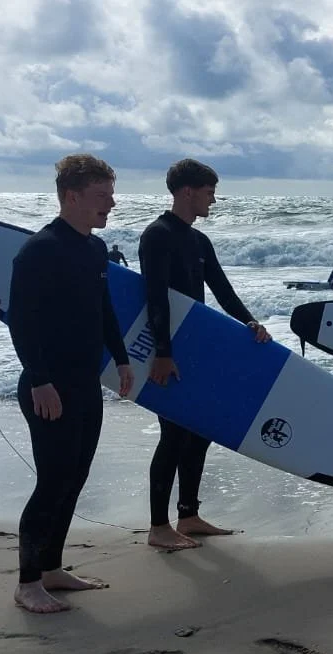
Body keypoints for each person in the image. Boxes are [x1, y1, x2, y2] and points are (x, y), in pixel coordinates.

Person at [7, 153, 134, 613]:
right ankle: (27, 583)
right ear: (72, 196)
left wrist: (120, 360)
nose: (111, 204)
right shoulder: (40, 250)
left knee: (74, 478)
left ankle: (52, 568)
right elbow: (20, 320)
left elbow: (102, 311)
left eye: (111, 195)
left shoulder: (94, 249)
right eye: (102, 196)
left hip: (84, 383)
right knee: (53, 481)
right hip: (49, 386)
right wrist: (40, 381)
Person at [139, 159, 272, 551]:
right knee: (172, 435)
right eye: (209, 191)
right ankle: (158, 527)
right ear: (187, 191)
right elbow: (155, 298)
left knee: (200, 433)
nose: (213, 199)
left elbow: (222, 290)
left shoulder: (199, 241)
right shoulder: (157, 235)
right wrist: (162, 353)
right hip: (169, 351)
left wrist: (250, 322)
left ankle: (189, 515)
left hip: (196, 349)